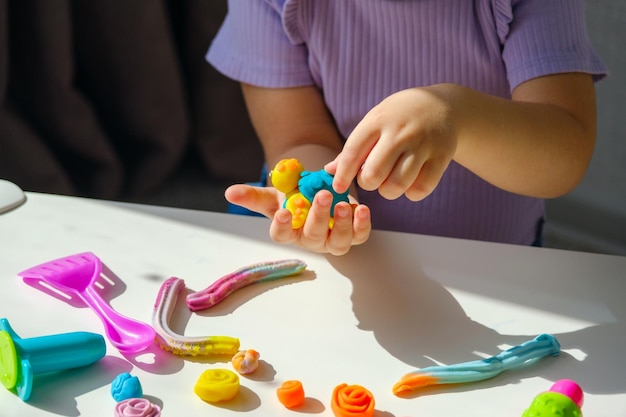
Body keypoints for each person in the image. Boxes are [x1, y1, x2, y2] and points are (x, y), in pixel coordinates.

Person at [207, 0, 607, 255]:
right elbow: (299, 137)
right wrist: (325, 207)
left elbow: (565, 151)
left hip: (491, 262)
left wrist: (459, 117)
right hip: (351, 264)